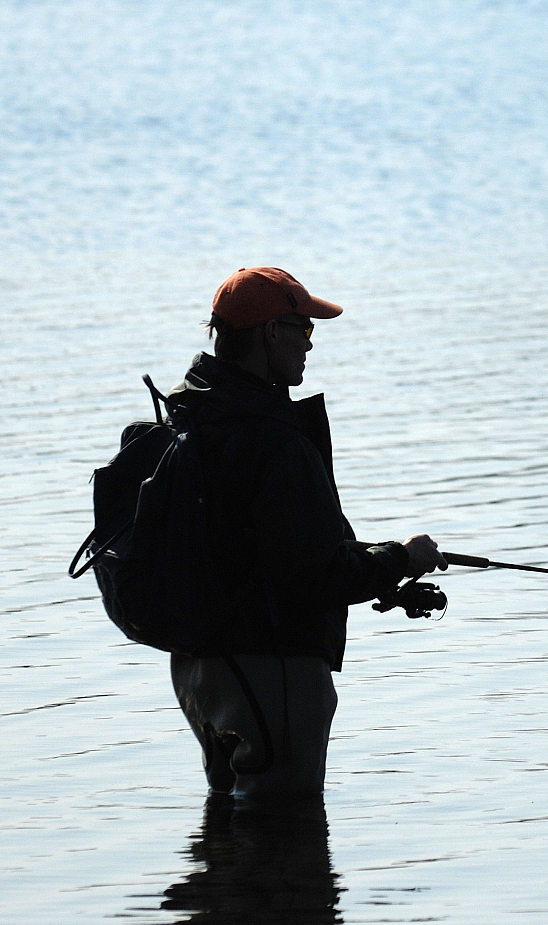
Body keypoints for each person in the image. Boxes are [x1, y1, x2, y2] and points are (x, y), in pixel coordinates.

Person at [161, 266, 440, 799]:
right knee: (285, 823)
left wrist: (380, 569)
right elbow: (316, 575)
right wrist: (400, 560)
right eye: (303, 330)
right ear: (270, 333)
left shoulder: (195, 417)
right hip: (271, 669)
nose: (310, 346)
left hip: (199, 669)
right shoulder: (272, 440)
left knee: (231, 823)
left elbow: (258, 552)